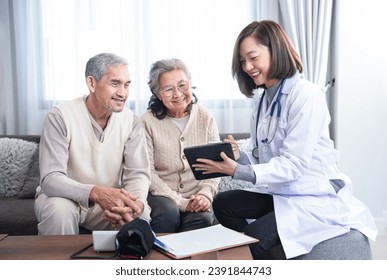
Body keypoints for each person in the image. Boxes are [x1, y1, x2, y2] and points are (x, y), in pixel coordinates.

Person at [192, 20, 377, 259]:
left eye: (253, 57)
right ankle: (253, 255)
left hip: (311, 198)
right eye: (242, 61)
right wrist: (239, 156)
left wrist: (237, 170)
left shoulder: (306, 96)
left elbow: (293, 165)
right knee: (223, 203)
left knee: (253, 240)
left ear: (275, 50)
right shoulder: (261, 101)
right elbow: (263, 155)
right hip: (283, 194)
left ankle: (253, 255)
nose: (247, 67)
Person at [35, 53, 151, 235]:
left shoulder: (132, 121)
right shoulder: (59, 116)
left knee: (140, 214)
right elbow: (51, 179)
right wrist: (96, 192)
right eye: (115, 83)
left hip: (107, 204)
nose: (123, 93)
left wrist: (135, 203)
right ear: (91, 83)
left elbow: (138, 174)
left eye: (126, 85)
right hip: (65, 198)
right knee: (60, 211)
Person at [141, 58, 220, 233]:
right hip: (161, 194)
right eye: (168, 89)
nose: (177, 94)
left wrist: (205, 195)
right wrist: (180, 202)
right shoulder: (146, 121)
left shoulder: (205, 117)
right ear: (157, 94)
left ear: (191, 85)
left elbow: (216, 167)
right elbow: (148, 173)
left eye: (183, 85)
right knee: (168, 214)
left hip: (196, 194)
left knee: (202, 218)